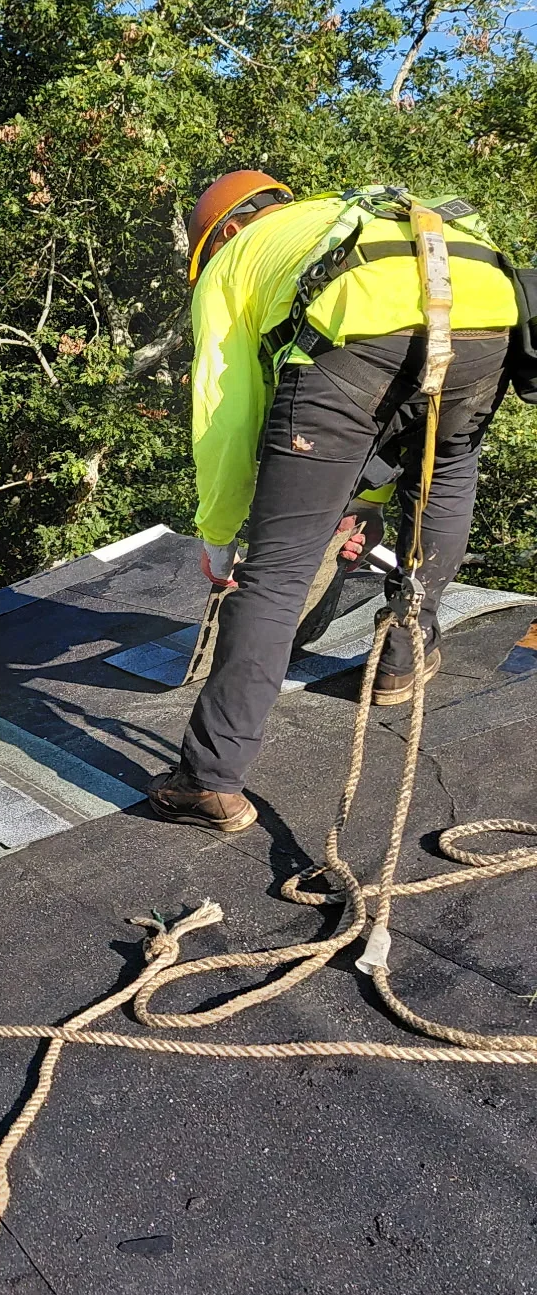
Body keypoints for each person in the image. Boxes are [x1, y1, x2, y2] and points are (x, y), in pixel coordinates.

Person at [149, 171, 517, 833]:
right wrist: (363, 500)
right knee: (445, 478)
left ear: (227, 231)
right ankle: (401, 664)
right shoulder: (346, 214)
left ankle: (209, 780)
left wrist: (219, 530)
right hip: (488, 318)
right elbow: (395, 410)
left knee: (277, 572)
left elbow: (225, 414)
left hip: (358, 334)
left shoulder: (234, 258)